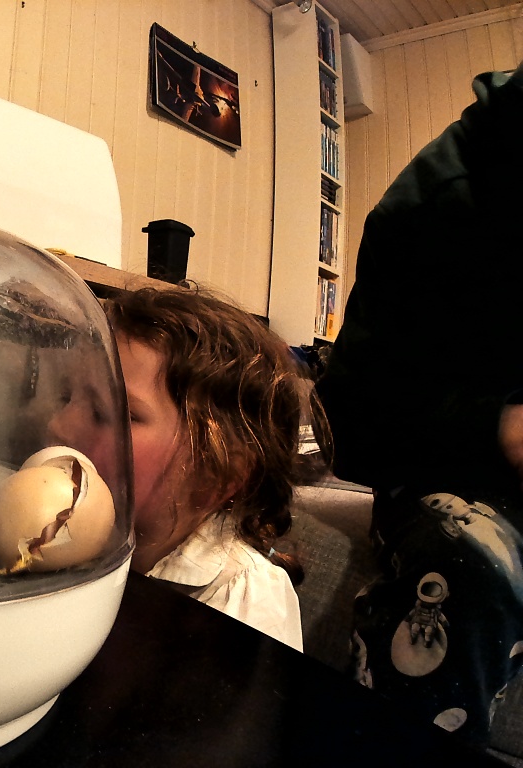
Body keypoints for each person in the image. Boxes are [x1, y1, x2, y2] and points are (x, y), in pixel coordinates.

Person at [314, 62, 523, 746]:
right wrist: (499, 426)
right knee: (465, 566)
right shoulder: (434, 208)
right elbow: (350, 424)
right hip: (452, 481)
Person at [48, 286, 311, 652]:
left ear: (216, 475)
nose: (58, 425)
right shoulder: (75, 537)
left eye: (106, 412)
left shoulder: (245, 601)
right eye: (65, 396)